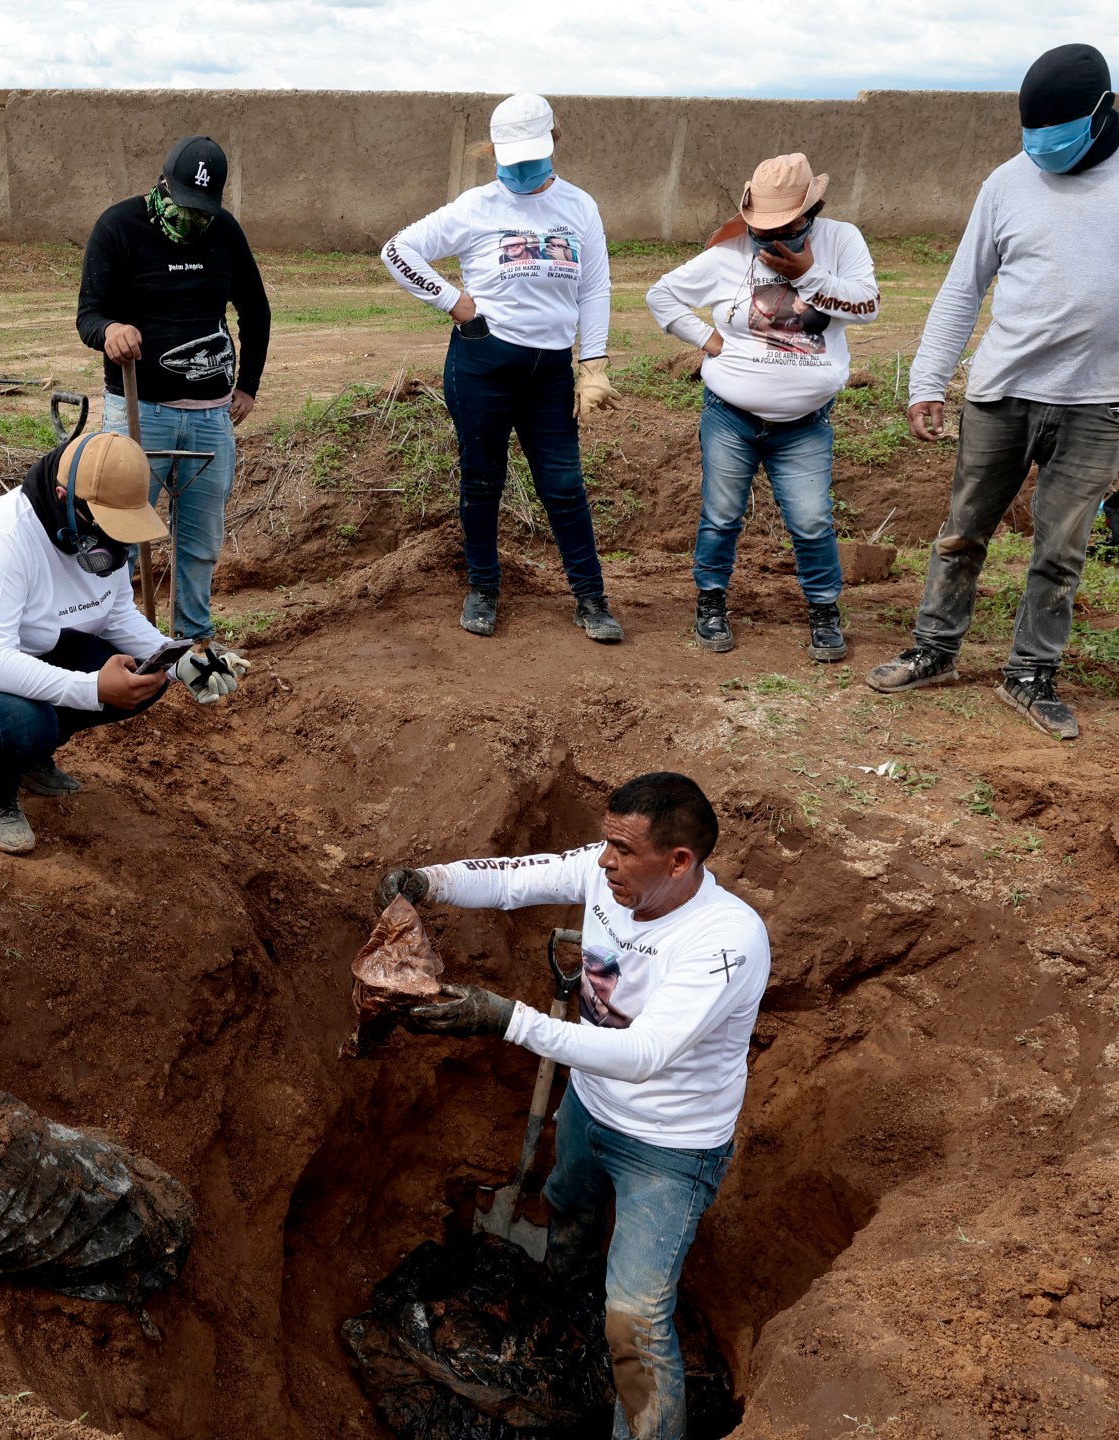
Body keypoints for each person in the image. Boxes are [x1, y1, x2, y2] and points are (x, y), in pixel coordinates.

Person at [377, 772, 768, 1440]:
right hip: (590, 1107)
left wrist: (506, 1019)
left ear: (679, 861)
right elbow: (507, 881)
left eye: (622, 848)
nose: (603, 860)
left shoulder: (726, 940)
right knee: (569, 1205)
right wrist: (427, 881)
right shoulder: (606, 875)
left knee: (636, 1320)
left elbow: (646, 1054)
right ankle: (570, 1277)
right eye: (604, 842)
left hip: (671, 1148)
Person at [871, 43, 1119, 740]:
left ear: (1103, 113)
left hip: (1098, 398)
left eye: (1062, 141)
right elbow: (963, 286)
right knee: (961, 532)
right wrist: (929, 378)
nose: (1048, 156)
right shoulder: (1006, 182)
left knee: (1061, 547)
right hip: (1000, 390)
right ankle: (935, 650)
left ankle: (1031, 674)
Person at [0, 430, 243, 855]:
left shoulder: (99, 535)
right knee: (23, 720)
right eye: (107, 525)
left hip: (26, 657)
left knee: (147, 677)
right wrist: (91, 689)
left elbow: (115, 612)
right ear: (63, 497)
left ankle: (28, 759)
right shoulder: (2, 541)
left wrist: (181, 660)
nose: (116, 544)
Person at [382, 93, 621, 643]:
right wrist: (453, 301)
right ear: (494, 152)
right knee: (482, 477)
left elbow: (595, 286)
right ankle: (484, 588)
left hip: (550, 372)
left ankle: (591, 598)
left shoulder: (579, 206)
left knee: (563, 485)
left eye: (531, 156)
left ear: (554, 143)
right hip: (483, 363)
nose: (521, 168)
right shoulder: (476, 206)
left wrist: (594, 362)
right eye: (510, 158)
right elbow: (398, 250)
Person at [645, 153, 880, 662]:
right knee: (722, 515)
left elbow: (867, 307)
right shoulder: (727, 252)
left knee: (812, 520)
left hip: (804, 425)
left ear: (811, 214)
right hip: (730, 416)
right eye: (760, 226)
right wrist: (704, 338)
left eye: (787, 225)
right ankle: (710, 603)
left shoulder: (842, 242)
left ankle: (823, 611)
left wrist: (811, 275)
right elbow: (662, 295)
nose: (769, 235)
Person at [76, 136, 271, 656]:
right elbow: (88, 314)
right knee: (114, 533)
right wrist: (111, 329)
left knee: (200, 542)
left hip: (210, 418)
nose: (194, 217)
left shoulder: (224, 232)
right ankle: (111, 639)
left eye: (204, 209)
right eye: (185, 204)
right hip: (140, 412)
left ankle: (191, 643)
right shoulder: (118, 227)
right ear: (163, 183)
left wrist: (247, 384)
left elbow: (255, 310)